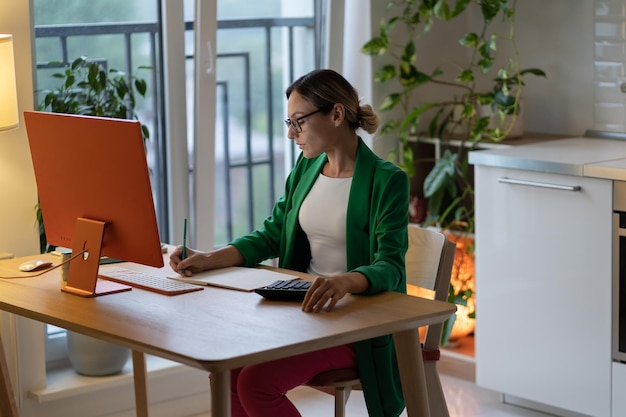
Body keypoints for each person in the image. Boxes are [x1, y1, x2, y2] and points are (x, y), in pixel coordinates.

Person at [169, 68, 409, 417]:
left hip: (357, 325)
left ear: (337, 114)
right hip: (302, 314)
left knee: (255, 383)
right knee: (226, 372)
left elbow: (390, 266)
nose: (290, 133)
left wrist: (344, 281)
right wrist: (210, 258)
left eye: (299, 122)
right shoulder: (306, 168)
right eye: (289, 121)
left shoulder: (387, 180)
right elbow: (271, 234)